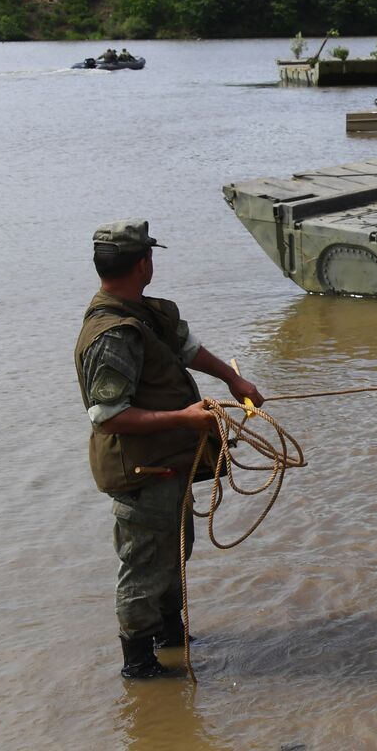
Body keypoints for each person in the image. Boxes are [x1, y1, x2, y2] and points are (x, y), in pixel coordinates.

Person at [75, 220, 264, 679]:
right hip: (142, 473)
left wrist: (232, 379)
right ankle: (138, 667)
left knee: (174, 551)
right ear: (144, 263)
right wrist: (186, 418)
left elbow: (186, 346)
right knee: (144, 565)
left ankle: (171, 638)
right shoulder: (113, 333)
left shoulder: (144, 313)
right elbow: (108, 414)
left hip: (167, 467)